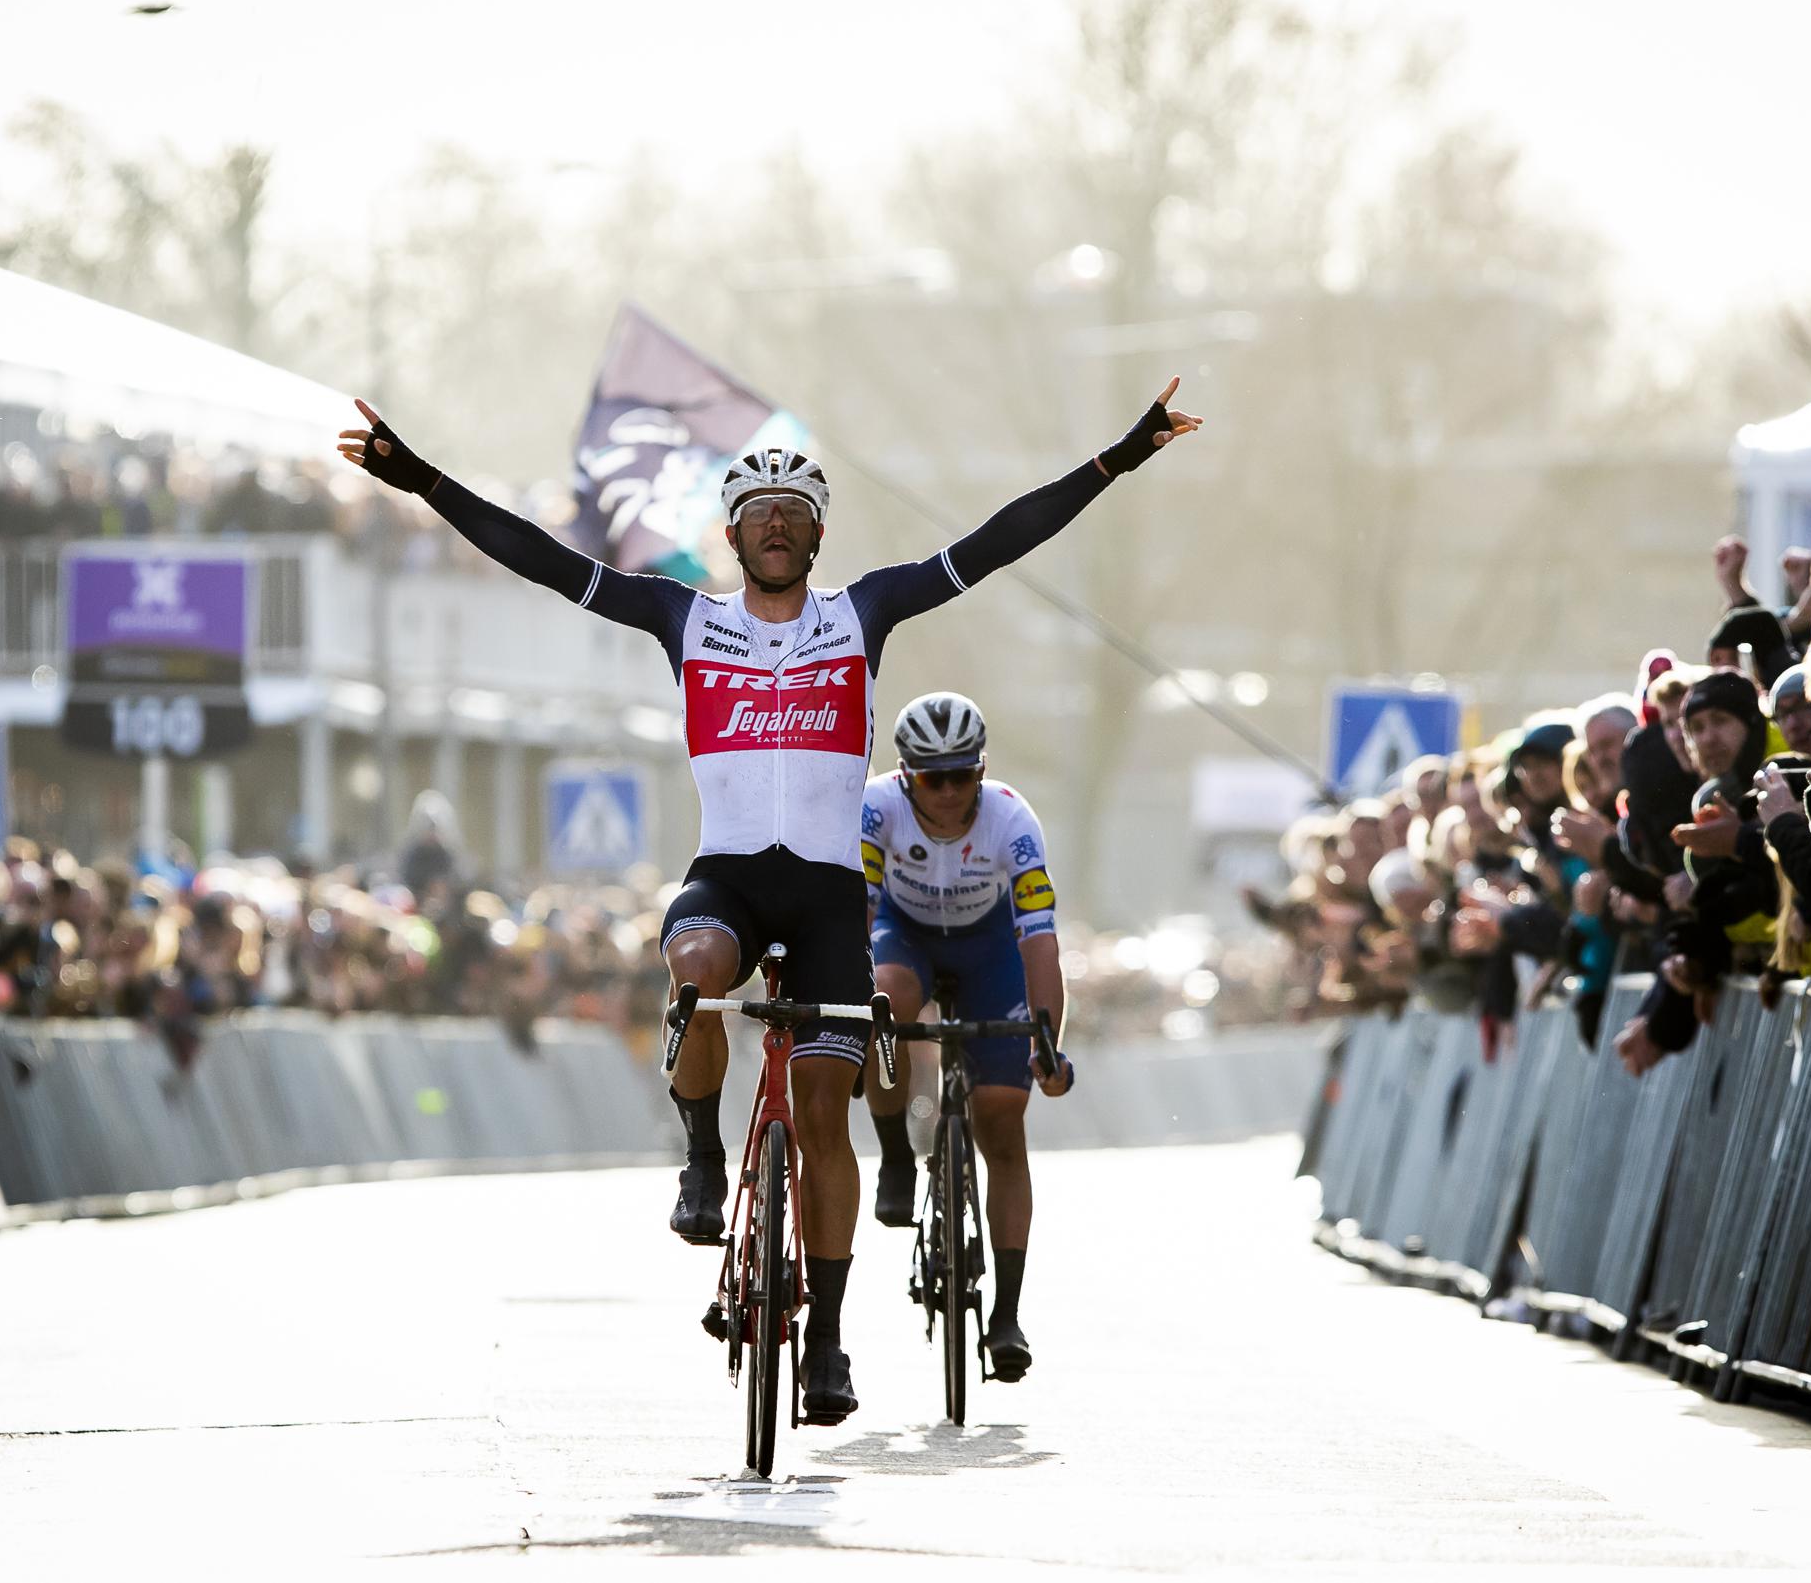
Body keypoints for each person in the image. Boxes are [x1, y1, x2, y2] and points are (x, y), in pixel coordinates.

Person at [339, 382, 1201, 1423]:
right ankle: (702, 1154)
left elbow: (998, 540)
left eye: (795, 516)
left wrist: (1121, 456)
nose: (778, 529)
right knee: (696, 969)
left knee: (827, 1116)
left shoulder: (863, 612)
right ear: (735, 535)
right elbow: (542, 559)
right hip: (733, 876)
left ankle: (829, 1342)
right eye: (759, 516)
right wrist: (422, 478)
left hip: (835, 894)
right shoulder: (683, 616)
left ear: (819, 535)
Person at [859, 693, 1073, 1381]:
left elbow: (1039, 942)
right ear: (904, 774)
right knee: (883, 1002)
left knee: (1001, 1120)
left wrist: (1046, 1042)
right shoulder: (874, 808)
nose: (949, 793)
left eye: (962, 775)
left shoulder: (1013, 820)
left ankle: (1006, 1313)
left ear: (981, 770)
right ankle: (895, 1154)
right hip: (905, 932)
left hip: (989, 948)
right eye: (932, 778)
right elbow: (854, 923)